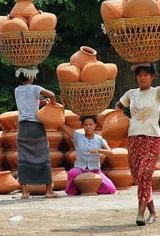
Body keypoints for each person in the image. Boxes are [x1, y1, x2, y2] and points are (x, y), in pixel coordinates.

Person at [115, 62, 160, 226]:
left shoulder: (157, 92)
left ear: (152, 77)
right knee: (140, 178)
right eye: (139, 75)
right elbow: (118, 106)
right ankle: (153, 213)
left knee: (144, 175)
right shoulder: (131, 94)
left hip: (152, 139)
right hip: (133, 139)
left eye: (146, 75)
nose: (142, 78)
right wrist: (119, 121)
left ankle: (140, 213)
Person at [14, 67, 59, 199]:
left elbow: (27, 104)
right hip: (36, 127)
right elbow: (52, 95)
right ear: (30, 76)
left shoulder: (17, 90)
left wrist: (40, 103)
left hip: (23, 128)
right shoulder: (35, 88)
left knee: (23, 158)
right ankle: (48, 190)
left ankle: (24, 192)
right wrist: (53, 105)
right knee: (44, 156)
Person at [59, 115, 116, 196]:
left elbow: (111, 153)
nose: (88, 127)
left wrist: (99, 150)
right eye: (86, 125)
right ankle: (75, 191)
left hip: (95, 171)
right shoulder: (77, 136)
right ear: (82, 126)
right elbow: (62, 126)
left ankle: (88, 187)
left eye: (90, 124)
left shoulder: (99, 139)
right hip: (80, 169)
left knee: (111, 189)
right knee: (72, 172)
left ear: (95, 125)